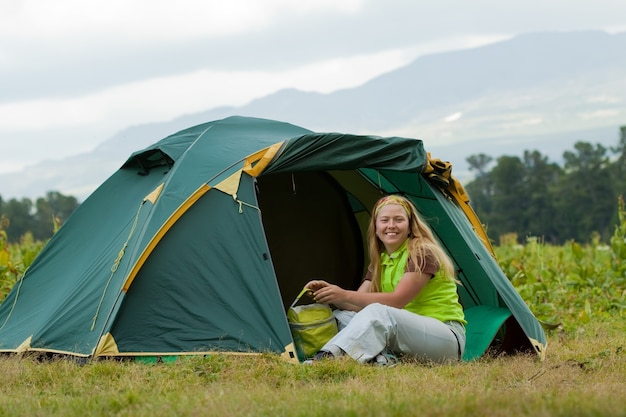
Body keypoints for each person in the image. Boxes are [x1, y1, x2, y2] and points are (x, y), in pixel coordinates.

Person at [304, 194, 466, 365]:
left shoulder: (422, 252)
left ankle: (326, 360)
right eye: (385, 220)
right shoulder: (380, 261)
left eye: (398, 220)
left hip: (444, 338)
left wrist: (344, 294)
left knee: (378, 312)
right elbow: (355, 306)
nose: (391, 226)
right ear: (375, 227)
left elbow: (397, 301)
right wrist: (331, 295)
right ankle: (381, 360)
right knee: (343, 316)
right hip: (407, 335)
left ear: (410, 226)